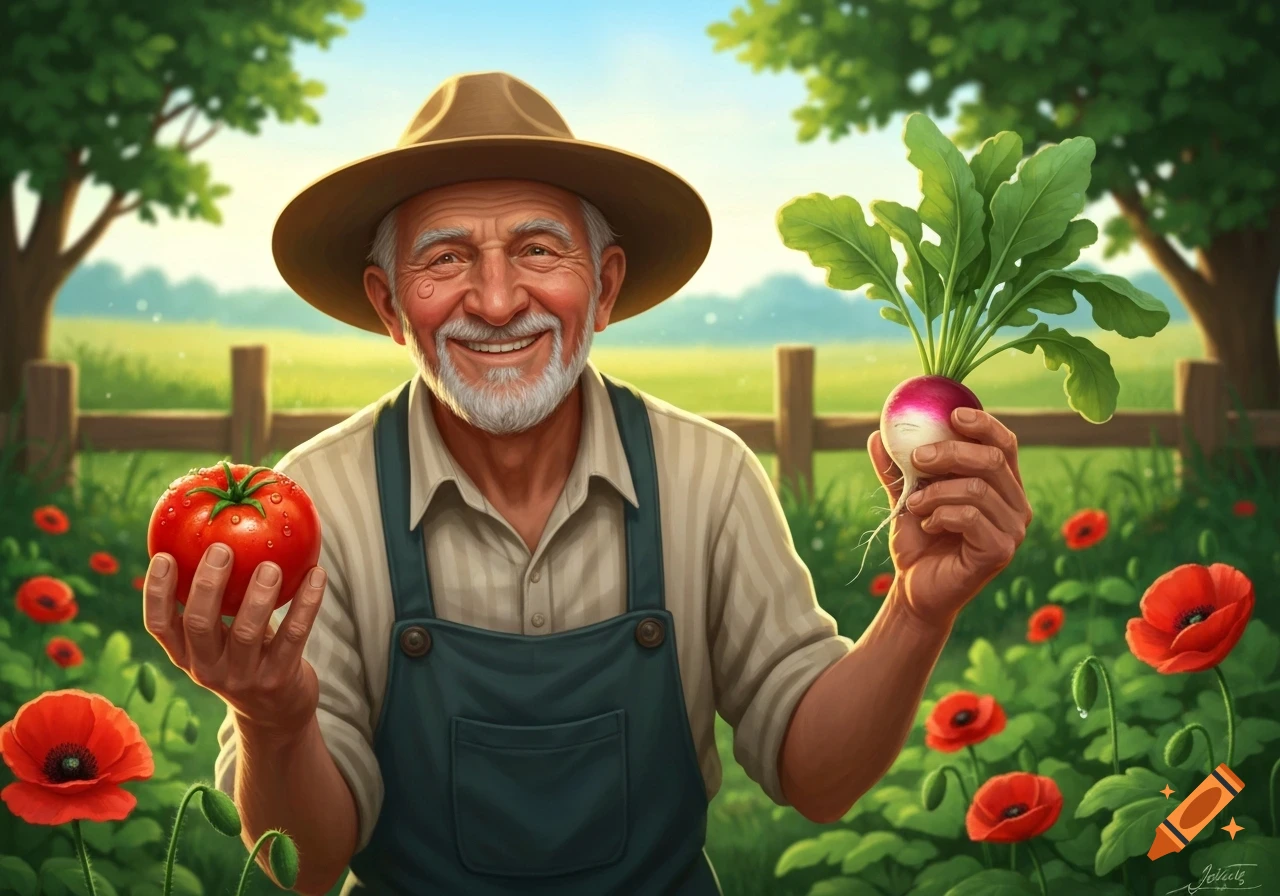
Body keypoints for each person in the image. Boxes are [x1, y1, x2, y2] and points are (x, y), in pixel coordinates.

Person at [141, 72, 1032, 896]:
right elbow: (303, 868)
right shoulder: (319, 504)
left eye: (537, 249)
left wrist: (918, 609)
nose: (495, 302)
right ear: (387, 304)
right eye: (445, 260)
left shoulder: (707, 477)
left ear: (603, 287)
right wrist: (274, 718)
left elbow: (818, 778)